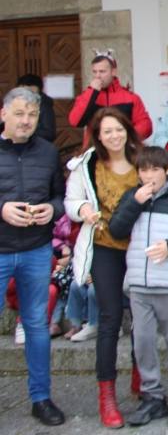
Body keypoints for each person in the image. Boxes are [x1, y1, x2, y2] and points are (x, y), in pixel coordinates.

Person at [108, 146, 168, 426]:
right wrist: (134, 203)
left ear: (167, 171)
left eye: (154, 169)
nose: (148, 175)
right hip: (139, 284)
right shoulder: (133, 196)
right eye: (143, 169)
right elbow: (116, 230)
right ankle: (152, 397)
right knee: (143, 343)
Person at [65, 107, 142, 428]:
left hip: (140, 248)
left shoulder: (142, 160)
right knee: (110, 318)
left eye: (118, 129)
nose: (114, 136)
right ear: (97, 136)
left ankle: (143, 378)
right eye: (106, 131)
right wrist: (83, 208)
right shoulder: (87, 165)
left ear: (127, 130)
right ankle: (107, 396)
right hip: (105, 248)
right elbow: (70, 203)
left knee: (142, 315)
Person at [0, 86, 66, 425]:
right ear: (3, 114)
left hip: (37, 250)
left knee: (37, 326)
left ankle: (41, 399)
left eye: (32, 115)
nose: (26, 121)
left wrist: (50, 211)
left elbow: (60, 197)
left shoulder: (49, 152)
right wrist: (1, 208)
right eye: (19, 114)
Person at [69, 50, 153, 140]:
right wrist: (92, 92)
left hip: (124, 149)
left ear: (113, 72)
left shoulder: (131, 98)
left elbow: (146, 125)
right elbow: (75, 122)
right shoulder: (88, 96)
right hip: (95, 150)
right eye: (94, 72)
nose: (97, 76)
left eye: (102, 71)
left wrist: (124, 138)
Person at [9, 74, 56, 142]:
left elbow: (49, 134)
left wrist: (27, 129)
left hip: (35, 148)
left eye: (31, 93)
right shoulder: (11, 104)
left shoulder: (44, 106)